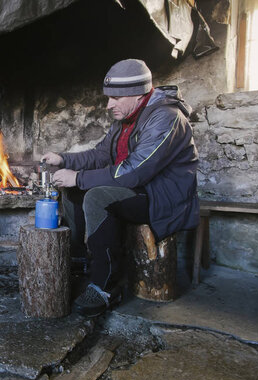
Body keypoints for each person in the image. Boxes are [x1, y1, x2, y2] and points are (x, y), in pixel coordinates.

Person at [41, 59, 199, 317]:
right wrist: (64, 160)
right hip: (138, 188)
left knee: (96, 196)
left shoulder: (167, 118)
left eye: (115, 98)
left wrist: (79, 177)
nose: (108, 105)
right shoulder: (127, 119)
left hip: (163, 197)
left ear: (137, 94)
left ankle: (105, 286)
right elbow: (102, 154)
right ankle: (81, 261)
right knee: (72, 190)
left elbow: (135, 171)